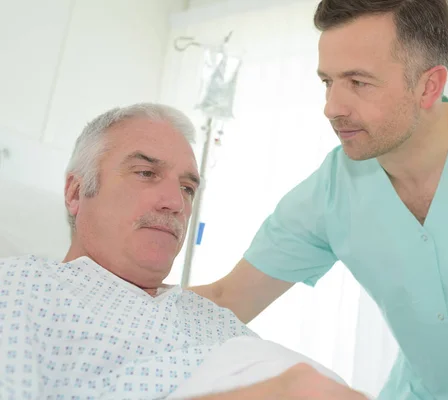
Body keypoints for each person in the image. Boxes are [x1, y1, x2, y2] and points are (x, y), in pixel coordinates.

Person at [190, 0, 448, 399]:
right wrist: (128, 302)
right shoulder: (330, 192)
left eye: (359, 82)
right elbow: (228, 299)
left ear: (429, 85)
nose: (332, 107)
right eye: (327, 82)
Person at [0, 103, 369, 399]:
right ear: (76, 193)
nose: (175, 202)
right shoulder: (22, 288)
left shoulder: (210, 317)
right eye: (146, 173)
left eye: (188, 188)